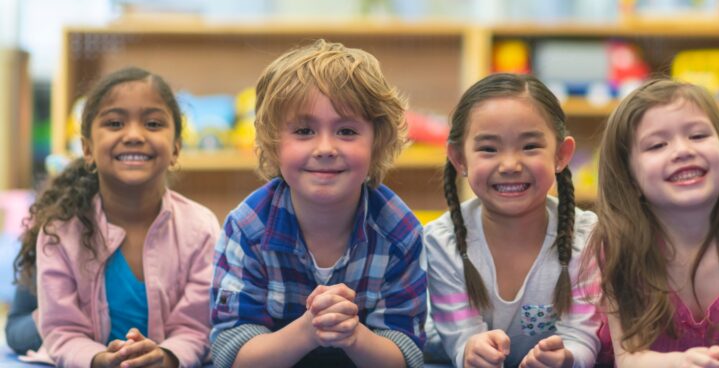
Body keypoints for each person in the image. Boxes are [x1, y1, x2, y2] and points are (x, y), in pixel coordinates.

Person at [209, 39, 426, 368]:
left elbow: (405, 355)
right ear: (273, 140)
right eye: (305, 130)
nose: (325, 147)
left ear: (377, 141)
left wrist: (353, 335)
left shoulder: (399, 230)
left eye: (347, 131)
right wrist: (308, 330)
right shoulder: (248, 226)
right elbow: (231, 353)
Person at [14, 66, 220, 368]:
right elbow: (62, 330)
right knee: (21, 332)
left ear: (176, 148)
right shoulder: (60, 230)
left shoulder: (201, 228)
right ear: (87, 148)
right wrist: (99, 360)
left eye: (152, 123)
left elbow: (197, 328)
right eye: (114, 123)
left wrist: (165, 359)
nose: (134, 135)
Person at [586, 78, 719, 368]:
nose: (682, 150)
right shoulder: (618, 244)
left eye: (697, 136)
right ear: (629, 177)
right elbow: (628, 357)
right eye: (657, 145)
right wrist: (681, 364)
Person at [425, 73, 603, 368]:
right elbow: (460, 339)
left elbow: (582, 337)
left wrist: (565, 358)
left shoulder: (586, 237)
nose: (509, 165)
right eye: (488, 149)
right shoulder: (442, 241)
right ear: (459, 159)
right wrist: (473, 348)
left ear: (561, 154)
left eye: (530, 146)